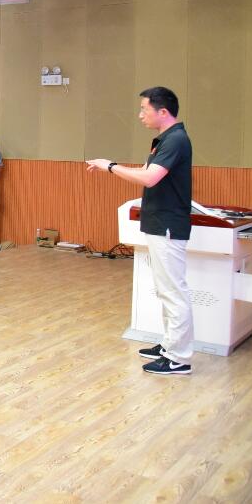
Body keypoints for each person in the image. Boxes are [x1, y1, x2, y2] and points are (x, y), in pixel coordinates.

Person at [87, 86, 194, 376]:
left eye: (144, 109)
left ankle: (179, 357)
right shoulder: (163, 140)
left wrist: (110, 166)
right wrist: (110, 167)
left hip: (168, 225)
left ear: (163, 111)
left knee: (173, 292)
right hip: (158, 223)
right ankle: (169, 345)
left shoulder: (176, 139)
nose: (140, 115)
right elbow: (145, 172)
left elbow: (149, 178)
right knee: (164, 289)